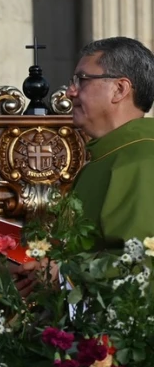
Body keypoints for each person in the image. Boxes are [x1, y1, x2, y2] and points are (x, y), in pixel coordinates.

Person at [66, 36, 154, 244]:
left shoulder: (142, 161)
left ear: (120, 89)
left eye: (82, 80)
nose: (70, 92)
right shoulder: (102, 160)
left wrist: (61, 270)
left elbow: (139, 262)